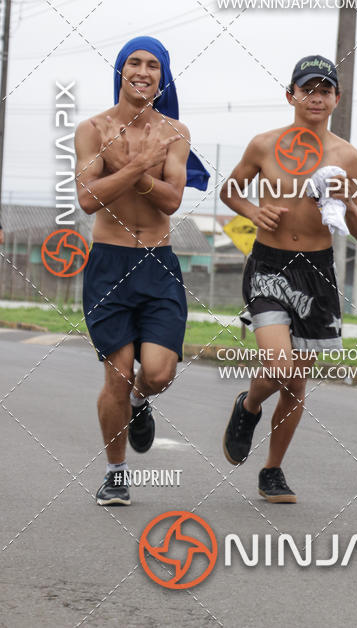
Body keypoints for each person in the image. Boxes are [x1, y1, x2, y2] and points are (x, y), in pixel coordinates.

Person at [220, 54, 357, 503]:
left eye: (325, 90)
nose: (316, 98)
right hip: (269, 266)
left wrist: (350, 203)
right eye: (307, 90)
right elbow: (231, 190)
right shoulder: (264, 145)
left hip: (317, 272)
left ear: (337, 99)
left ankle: (272, 470)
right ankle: (249, 405)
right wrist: (254, 211)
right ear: (291, 96)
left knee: (296, 383)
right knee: (281, 367)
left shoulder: (347, 156)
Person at [75, 36, 208, 505]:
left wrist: (132, 169)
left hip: (157, 262)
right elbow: (88, 198)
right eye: (134, 62)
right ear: (121, 70)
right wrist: (140, 166)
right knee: (116, 374)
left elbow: (171, 200)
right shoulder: (92, 129)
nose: (143, 71)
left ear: (162, 77)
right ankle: (115, 473)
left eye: (153, 65)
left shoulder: (175, 132)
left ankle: (139, 401)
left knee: (158, 372)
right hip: (108, 264)